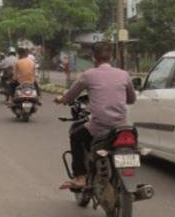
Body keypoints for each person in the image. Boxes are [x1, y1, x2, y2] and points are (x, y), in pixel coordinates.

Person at [55, 42, 136, 190]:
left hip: (99, 127)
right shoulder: (124, 74)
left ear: (94, 58)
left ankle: (80, 178)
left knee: (76, 136)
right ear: (111, 57)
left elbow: (71, 95)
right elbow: (131, 99)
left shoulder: (89, 75)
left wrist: (61, 99)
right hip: (121, 127)